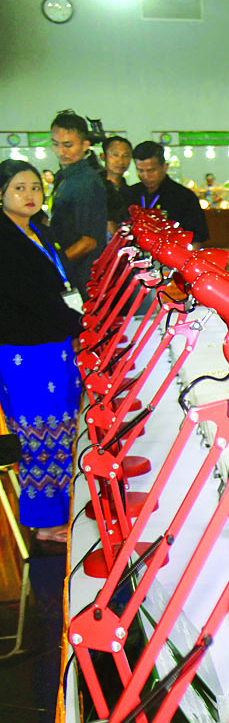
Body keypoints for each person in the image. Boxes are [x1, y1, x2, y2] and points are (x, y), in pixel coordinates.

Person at [0, 160, 84, 550]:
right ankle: (46, 523)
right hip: (25, 350)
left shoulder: (38, 230)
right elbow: (29, 297)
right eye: (19, 188)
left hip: (54, 345)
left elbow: (58, 285)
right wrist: (76, 323)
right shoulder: (5, 239)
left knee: (62, 428)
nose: (30, 194)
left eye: (35, 186)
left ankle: (61, 509)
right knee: (38, 433)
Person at [48, 110, 107, 294]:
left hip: (82, 276)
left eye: (68, 145)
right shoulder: (64, 176)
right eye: (55, 144)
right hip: (71, 270)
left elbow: (88, 242)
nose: (61, 151)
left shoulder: (85, 182)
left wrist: (51, 266)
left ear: (85, 145)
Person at [126, 141, 209, 242]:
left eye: (151, 170)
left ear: (165, 167)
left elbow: (197, 238)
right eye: (140, 170)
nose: (146, 176)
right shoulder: (129, 194)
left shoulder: (184, 197)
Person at [101, 135, 133, 233]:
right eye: (115, 155)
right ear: (103, 156)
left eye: (125, 156)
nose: (120, 161)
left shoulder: (130, 191)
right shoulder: (95, 186)